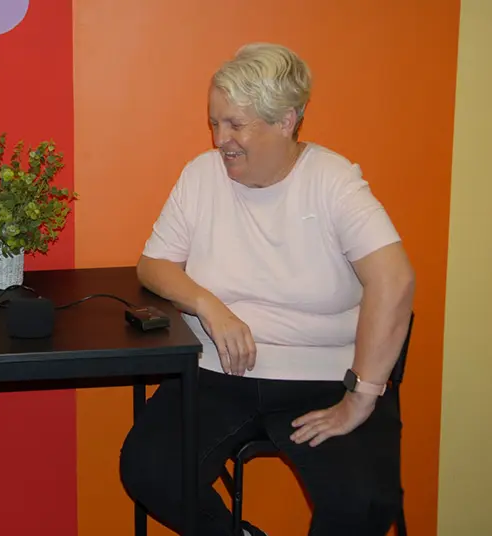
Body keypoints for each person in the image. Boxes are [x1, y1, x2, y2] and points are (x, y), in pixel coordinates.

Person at [119, 43, 415, 536]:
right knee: (150, 469)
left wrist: (361, 397)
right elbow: (153, 265)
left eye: (235, 124)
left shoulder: (334, 181)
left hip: (325, 380)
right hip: (219, 373)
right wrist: (209, 305)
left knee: (361, 503)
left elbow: (395, 278)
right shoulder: (201, 176)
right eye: (215, 123)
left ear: (286, 120)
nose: (220, 139)